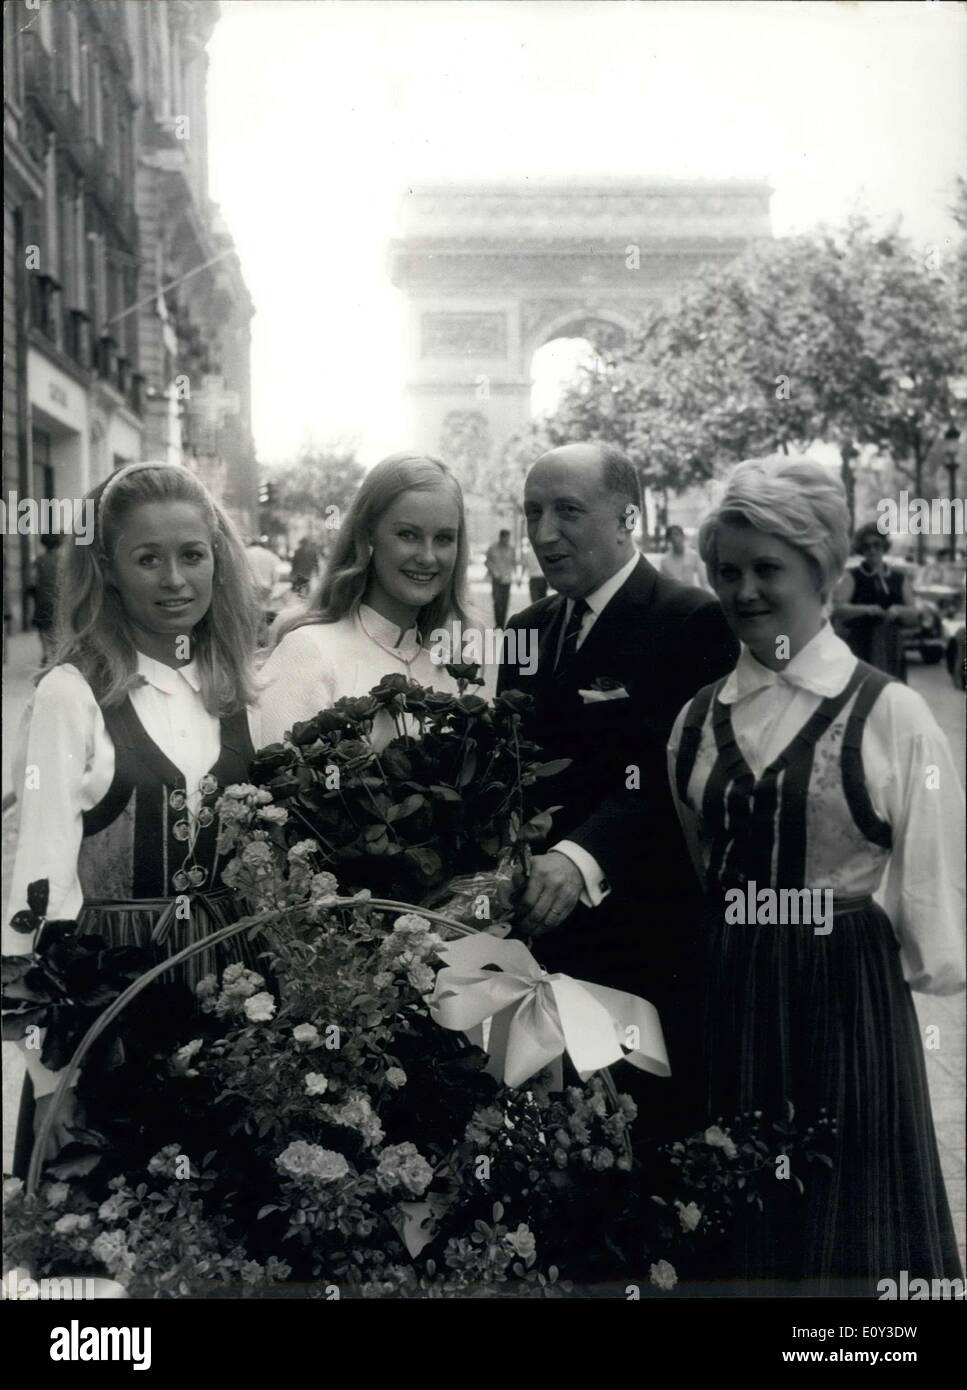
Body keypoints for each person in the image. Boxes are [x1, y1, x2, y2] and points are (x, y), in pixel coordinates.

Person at [669, 456, 964, 1295]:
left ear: (823, 568)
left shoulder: (892, 715)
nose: (744, 591)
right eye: (727, 571)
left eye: (769, 568)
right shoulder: (693, 723)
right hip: (728, 991)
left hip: (843, 996)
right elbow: (703, 860)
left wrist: (917, 962)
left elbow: (931, 890)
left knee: (849, 1222)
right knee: (733, 1210)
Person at [5, 461, 263, 1176]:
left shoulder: (235, 687)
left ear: (218, 560)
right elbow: (38, 891)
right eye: (147, 558)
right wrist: (49, 1071)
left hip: (226, 993)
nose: (175, 579)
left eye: (192, 555)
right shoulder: (72, 692)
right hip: (106, 1007)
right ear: (110, 572)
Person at [497, 442, 738, 1139]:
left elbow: (681, 782)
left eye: (567, 511)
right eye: (533, 511)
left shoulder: (692, 621)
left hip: (644, 947)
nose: (543, 534)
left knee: (641, 1142)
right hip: (536, 947)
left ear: (628, 516)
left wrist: (579, 859)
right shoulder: (524, 632)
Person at [259, 453, 469, 749]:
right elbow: (273, 784)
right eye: (408, 535)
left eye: (444, 538)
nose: (427, 556)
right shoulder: (309, 651)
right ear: (367, 535)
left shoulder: (449, 666)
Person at [832, 522, 918, 680]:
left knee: (893, 689)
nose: (872, 550)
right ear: (861, 549)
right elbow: (837, 608)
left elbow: (914, 612)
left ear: (884, 546)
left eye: (876, 545)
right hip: (860, 644)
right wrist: (866, 609)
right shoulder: (853, 576)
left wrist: (899, 611)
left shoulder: (899, 577)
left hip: (891, 643)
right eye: (866, 546)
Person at [31, 532, 63, 665]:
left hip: (42, 598)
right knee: (58, 626)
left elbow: (33, 580)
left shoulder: (39, 560)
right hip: (58, 598)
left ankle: (46, 653)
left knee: (43, 627)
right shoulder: (63, 559)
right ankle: (57, 653)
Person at [484, 528, 516, 629]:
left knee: (505, 602)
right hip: (496, 579)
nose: (507, 540)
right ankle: (498, 624)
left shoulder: (511, 549)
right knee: (497, 601)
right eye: (506, 538)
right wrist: (494, 571)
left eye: (509, 538)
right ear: (501, 537)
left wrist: (515, 575)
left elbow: (513, 563)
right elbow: (487, 562)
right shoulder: (492, 548)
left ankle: (502, 624)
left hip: (507, 580)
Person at [660, 524, 706, 589]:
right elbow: (663, 584)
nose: (674, 538)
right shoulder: (665, 560)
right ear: (668, 540)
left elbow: (703, 580)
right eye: (671, 536)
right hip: (674, 595)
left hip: (690, 594)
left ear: (683, 536)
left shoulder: (693, 556)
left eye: (676, 534)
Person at [521, 538, 548, 603]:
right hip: (543, 578)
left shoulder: (527, 553)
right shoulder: (543, 552)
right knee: (543, 601)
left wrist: (520, 578)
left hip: (533, 580)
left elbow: (524, 567)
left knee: (535, 602)